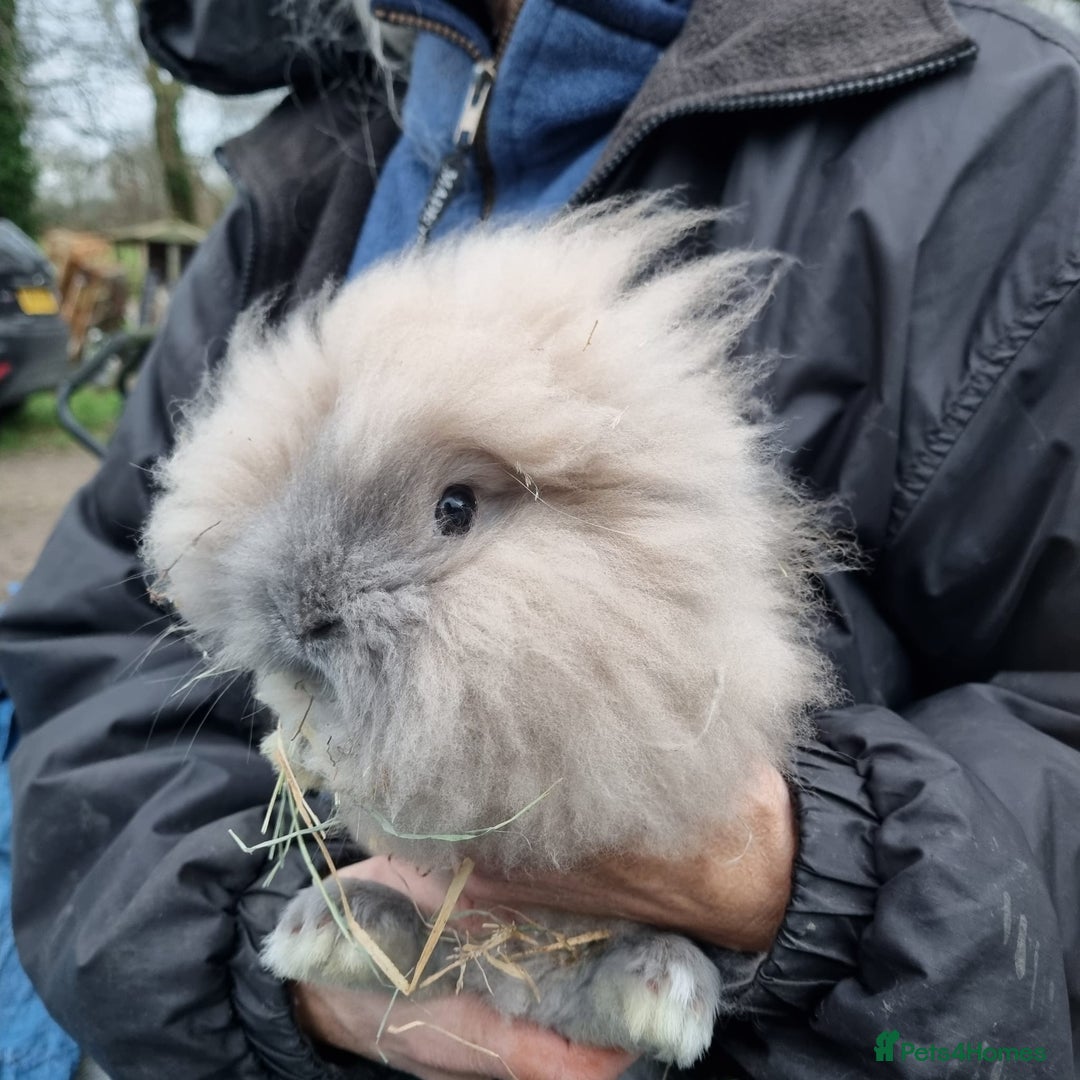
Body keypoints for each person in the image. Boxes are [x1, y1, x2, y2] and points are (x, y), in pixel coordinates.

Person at [1, 0, 1079, 1077]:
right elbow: (92, 661)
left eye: (458, 511)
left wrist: (814, 876)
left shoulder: (1015, 135)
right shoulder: (309, 162)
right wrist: (269, 954)